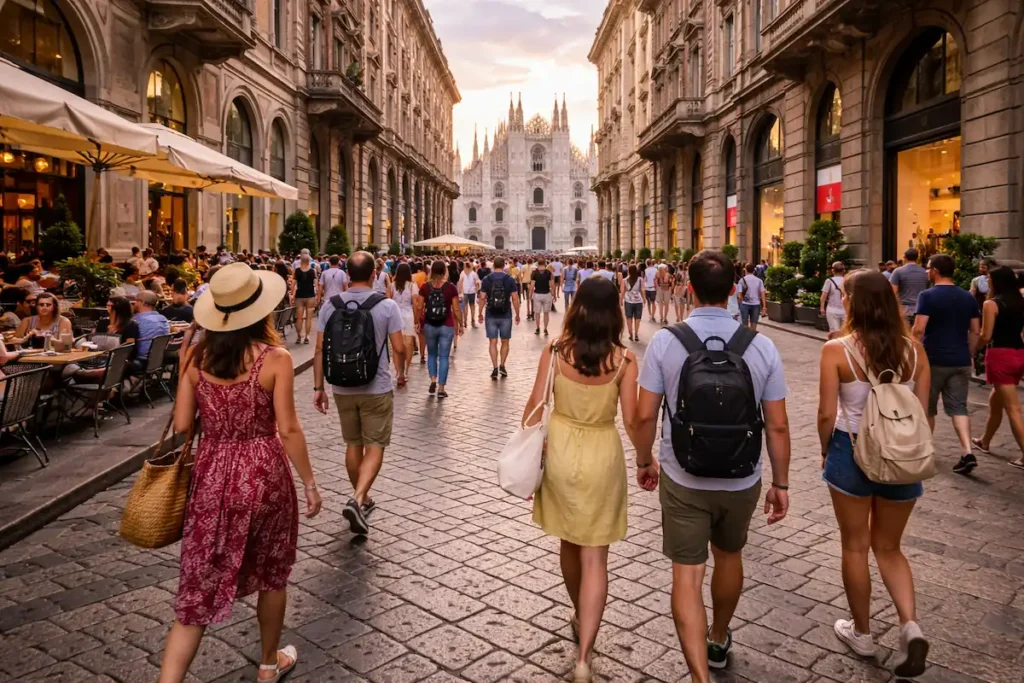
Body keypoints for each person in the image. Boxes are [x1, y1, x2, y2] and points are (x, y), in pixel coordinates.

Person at [158, 263, 320, 683]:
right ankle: (269, 664)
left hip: (212, 473)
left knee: (197, 588)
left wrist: (183, 369)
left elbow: (180, 426)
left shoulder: (195, 358)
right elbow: (287, 429)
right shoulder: (275, 359)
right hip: (264, 472)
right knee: (272, 573)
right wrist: (309, 482)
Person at [634, 250, 790, 682]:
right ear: (736, 291)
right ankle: (718, 636)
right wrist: (782, 482)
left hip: (683, 475)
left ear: (689, 287)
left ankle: (700, 676)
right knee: (729, 555)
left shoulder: (667, 342)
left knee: (687, 576)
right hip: (742, 477)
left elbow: (645, 415)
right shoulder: (761, 346)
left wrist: (645, 459)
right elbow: (777, 425)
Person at [816, 269, 931, 680]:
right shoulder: (914, 351)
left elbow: (827, 412)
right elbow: (923, 413)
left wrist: (826, 447)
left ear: (853, 302)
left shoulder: (838, 350)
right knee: (890, 548)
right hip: (902, 455)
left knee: (854, 546)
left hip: (851, 450)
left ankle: (862, 633)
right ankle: (909, 624)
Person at [527, 277, 640, 683]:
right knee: (597, 557)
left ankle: (579, 611)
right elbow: (633, 420)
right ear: (615, 311)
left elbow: (533, 409)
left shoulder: (556, 351)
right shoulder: (624, 361)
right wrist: (646, 460)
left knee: (569, 543)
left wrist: (529, 461)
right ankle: (584, 656)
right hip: (601, 454)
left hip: (559, 451)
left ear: (576, 308)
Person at [314, 251, 406, 535]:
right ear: (373, 275)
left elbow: (319, 350)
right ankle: (357, 498)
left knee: (353, 444)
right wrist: (401, 373)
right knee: (375, 445)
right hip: (375, 386)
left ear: (347, 276)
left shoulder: (330, 306)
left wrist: (319, 388)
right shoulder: (387, 306)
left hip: (341, 385)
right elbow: (400, 347)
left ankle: (362, 498)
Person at [912, 254, 980, 474]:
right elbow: (975, 330)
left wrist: (914, 352)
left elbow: (919, 328)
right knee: (959, 407)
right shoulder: (967, 297)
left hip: (933, 359)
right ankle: (967, 450)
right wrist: (969, 353)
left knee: (927, 407)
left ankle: (926, 449)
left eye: (928, 268)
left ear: (935, 271)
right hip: (960, 360)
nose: (926, 271)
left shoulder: (927, 296)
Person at [972, 266, 1024, 470]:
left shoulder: (991, 304)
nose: (987, 281)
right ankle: (985, 440)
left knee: (1013, 409)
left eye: (989, 278)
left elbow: (986, 335)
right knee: (996, 399)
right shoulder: (1021, 301)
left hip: (1000, 355)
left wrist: (974, 349)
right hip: (1019, 353)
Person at [416, 261, 461, 398]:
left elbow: (419, 307)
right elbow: (456, 308)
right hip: (446, 325)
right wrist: (461, 323)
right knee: (444, 357)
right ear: (444, 271)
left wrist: (417, 321)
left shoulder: (425, 286)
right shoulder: (450, 287)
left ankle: (433, 380)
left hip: (430, 324)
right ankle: (441, 388)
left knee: (431, 354)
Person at [479, 256, 521, 380]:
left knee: (492, 342)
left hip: (491, 314)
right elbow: (515, 298)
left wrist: (480, 312)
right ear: (504, 265)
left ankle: (495, 367)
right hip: (506, 314)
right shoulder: (509, 279)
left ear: (493, 265)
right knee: (505, 341)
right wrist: (517, 313)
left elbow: (482, 298)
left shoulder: (487, 279)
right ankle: (502, 365)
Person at [391, 263, 416, 386]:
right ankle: (405, 370)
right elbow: (416, 304)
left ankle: (398, 371)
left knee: (396, 346)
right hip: (408, 316)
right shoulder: (412, 286)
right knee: (408, 343)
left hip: (395, 316)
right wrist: (417, 320)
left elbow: (387, 301)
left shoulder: (392, 286)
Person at [890, 248, 929, 325]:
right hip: (920, 310)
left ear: (905, 257)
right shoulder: (924, 272)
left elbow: (893, 291)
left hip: (904, 310)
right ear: (917, 258)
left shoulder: (898, 271)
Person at [134, 290, 171, 365]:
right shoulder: (163, 319)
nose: (135, 303)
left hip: (141, 361)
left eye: (136, 300)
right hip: (159, 360)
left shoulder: (136, 321)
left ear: (142, 302)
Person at [291, 254, 317, 344]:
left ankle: (299, 336)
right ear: (309, 261)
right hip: (310, 295)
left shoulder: (297, 271)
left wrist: (291, 295)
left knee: (299, 318)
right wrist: (317, 295)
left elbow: (293, 284)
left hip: (299, 295)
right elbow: (316, 285)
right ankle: (307, 336)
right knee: (309, 318)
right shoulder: (313, 271)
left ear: (301, 261)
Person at [737, 263, 766, 330]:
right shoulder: (759, 281)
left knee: (745, 325)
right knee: (754, 325)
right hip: (756, 304)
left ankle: (746, 339)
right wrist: (764, 306)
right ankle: (752, 338)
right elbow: (762, 294)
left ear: (745, 270)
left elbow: (739, 296)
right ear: (754, 271)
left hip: (744, 304)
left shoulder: (741, 281)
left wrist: (739, 305)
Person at [820, 262, 847, 333]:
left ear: (833, 270)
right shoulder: (847, 280)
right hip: (845, 310)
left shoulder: (829, 281)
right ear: (843, 271)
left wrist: (822, 307)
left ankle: (833, 344)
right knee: (844, 333)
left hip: (832, 310)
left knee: (834, 332)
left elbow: (824, 296)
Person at [621, 264, 644, 342]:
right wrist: (644, 299)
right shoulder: (640, 279)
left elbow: (622, 291)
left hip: (628, 300)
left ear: (629, 271)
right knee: (637, 318)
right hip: (638, 301)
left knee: (629, 317)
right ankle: (636, 333)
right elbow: (642, 289)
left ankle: (630, 334)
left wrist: (620, 300)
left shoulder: (624, 280)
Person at [532, 258, 554, 336]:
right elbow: (552, 284)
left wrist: (530, 295)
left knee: (537, 313)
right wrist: (554, 294)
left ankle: (537, 328)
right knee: (546, 313)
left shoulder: (534, 273)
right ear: (545, 264)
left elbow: (532, 285)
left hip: (537, 294)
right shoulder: (549, 273)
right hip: (547, 294)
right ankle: (545, 328)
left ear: (538, 264)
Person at [458, 261, 481, 330]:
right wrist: (477, 290)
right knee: (472, 306)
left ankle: (465, 322)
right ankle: (472, 321)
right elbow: (477, 282)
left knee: (465, 307)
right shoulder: (474, 273)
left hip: (464, 292)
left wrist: (461, 291)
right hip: (472, 292)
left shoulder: (462, 273)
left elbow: (460, 283)